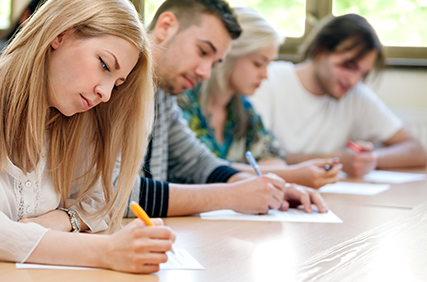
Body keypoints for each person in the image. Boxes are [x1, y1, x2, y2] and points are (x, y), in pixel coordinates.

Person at [0, 0, 175, 274]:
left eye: (117, 82)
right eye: (104, 65)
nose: (107, 94)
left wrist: (61, 220)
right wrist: (106, 251)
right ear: (59, 34)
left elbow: (101, 199)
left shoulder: (75, 117)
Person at [122, 0, 329, 217]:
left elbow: (197, 161)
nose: (205, 73)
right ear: (165, 27)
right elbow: (110, 195)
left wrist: (269, 189)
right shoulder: (116, 85)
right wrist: (231, 196)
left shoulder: (163, 92)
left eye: (214, 63)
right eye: (203, 51)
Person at [178, 7, 342, 189]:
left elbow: (271, 154)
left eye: (268, 64)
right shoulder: (182, 100)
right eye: (258, 63)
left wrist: (280, 175)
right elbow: (200, 168)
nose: (265, 75)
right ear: (229, 55)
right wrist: (292, 175)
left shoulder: (241, 108)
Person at [250, 14, 427, 177]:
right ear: (321, 51)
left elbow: (417, 151)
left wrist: (371, 159)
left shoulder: (355, 95)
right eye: (348, 66)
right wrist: (338, 159)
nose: (354, 80)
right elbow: (251, 157)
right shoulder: (267, 80)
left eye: (363, 74)